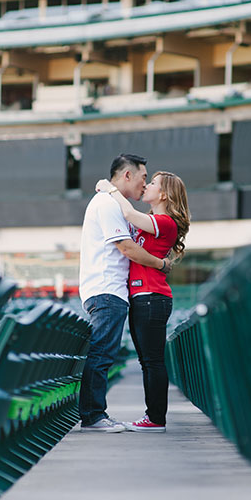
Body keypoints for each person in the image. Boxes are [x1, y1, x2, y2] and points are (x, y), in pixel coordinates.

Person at [78, 153, 172, 433]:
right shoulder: (107, 203)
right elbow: (127, 248)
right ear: (127, 175)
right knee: (102, 354)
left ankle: (95, 414)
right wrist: (161, 264)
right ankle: (94, 416)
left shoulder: (116, 203)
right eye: (144, 177)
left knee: (105, 353)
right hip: (107, 289)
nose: (145, 184)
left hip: (113, 291)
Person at [95, 170, 190, 433]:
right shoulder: (152, 220)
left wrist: (111, 189)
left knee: (152, 361)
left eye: (153, 183)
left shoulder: (165, 221)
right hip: (143, 297)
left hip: (152, 297)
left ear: (164, 194)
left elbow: (127, 214)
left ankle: (156, 418)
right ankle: (153, 417)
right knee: (147, 361)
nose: (146, 185)